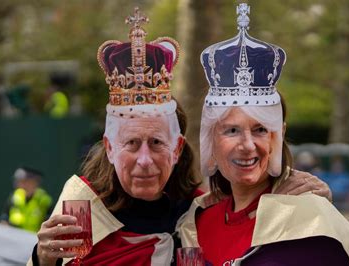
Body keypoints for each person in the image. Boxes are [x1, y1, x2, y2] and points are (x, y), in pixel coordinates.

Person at [31, 7, 332, 266]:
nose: (145, 161)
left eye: (157, 143)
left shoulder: (196, 214)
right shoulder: (80, 206)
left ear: (177, 150)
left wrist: (305, 199)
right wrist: (42, 258)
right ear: (110, 148)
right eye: (132, 144)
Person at [178, 4, 349, 265]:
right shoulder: (195, 224)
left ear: (279, 136)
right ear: (211, 138)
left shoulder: (313, 220)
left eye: (260, 130)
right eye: (232, 130)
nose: (247, 145)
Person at [0, 167, 52, 232]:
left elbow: (49, 223)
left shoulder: (45, 200)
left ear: (35, 182)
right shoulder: (14, 196)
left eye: (25, 181)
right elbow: (4, 217)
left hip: (34, 238)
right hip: (12, 236)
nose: (21, 184)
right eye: (19, 181)